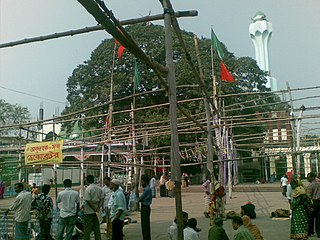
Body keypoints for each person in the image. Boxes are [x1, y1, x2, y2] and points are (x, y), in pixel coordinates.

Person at [83, 174, 103, 240]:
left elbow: (88, 201)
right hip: (97, 211)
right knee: (96, 227)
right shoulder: (99, 188)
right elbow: (102, 199)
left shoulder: (88, 189)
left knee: (87, 228)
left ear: (87, 181)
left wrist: (94, 209)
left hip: (89, 211)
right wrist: (98, 208)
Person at [139, 174, 153, 240]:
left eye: (142, 181)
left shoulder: (147, 189)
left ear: (144, 181)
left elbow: (140, 199)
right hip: (145, 207)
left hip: (145, 207)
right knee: (145, 224)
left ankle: (146, 238)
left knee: (145, 224)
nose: (141, 183)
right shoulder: (147, 189)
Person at [307, 172, 320, 237]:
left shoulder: (310, 185)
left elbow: (309, 196)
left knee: (310, 218)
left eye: (308, 177)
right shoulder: (319, 184)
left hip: (313, 203)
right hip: (319, 202)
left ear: (312, 177)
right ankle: (319, 232)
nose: (307, 178)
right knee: (318, 218)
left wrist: (309, 205)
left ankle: (310, 231)